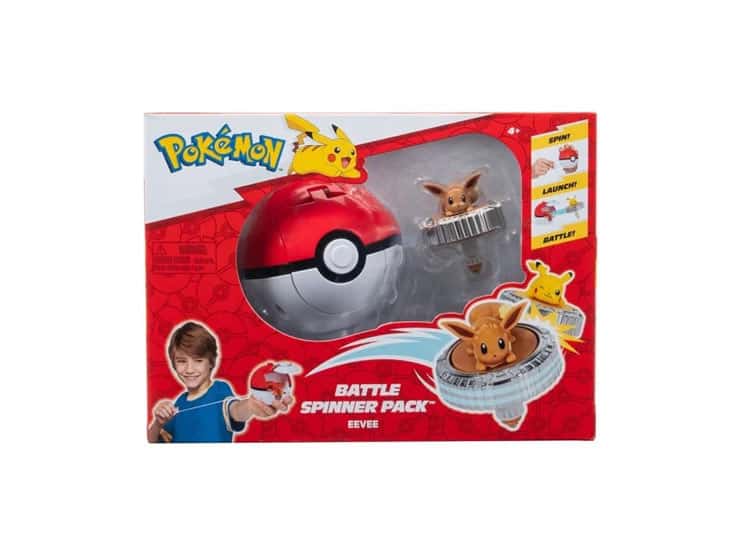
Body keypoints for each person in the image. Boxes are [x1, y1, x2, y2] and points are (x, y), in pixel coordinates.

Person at [147, 321, 292, 443]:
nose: (189, 369)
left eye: (198, 360)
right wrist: (158, 423)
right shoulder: (179, 402)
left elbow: (234, 409)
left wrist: (250, 406)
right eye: (181, 361)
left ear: (211, 362)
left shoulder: (220, 389)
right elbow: (152, 441)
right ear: (173, 363)